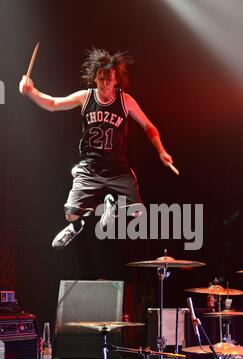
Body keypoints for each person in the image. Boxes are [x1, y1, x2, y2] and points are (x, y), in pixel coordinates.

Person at [19, 48, 174, 250]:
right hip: (90, 167)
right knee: (71, 214)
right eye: (101, 79)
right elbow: (53, 104)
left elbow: (148, 126)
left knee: (138, 212)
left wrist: (161, 151)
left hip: (117, 168)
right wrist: (32, 92)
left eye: (109, 79)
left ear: (116, 79)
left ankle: (113, 208)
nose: (105, 84)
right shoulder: (86, 97)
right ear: (95, 78)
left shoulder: (125, 101)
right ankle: (75, 227)